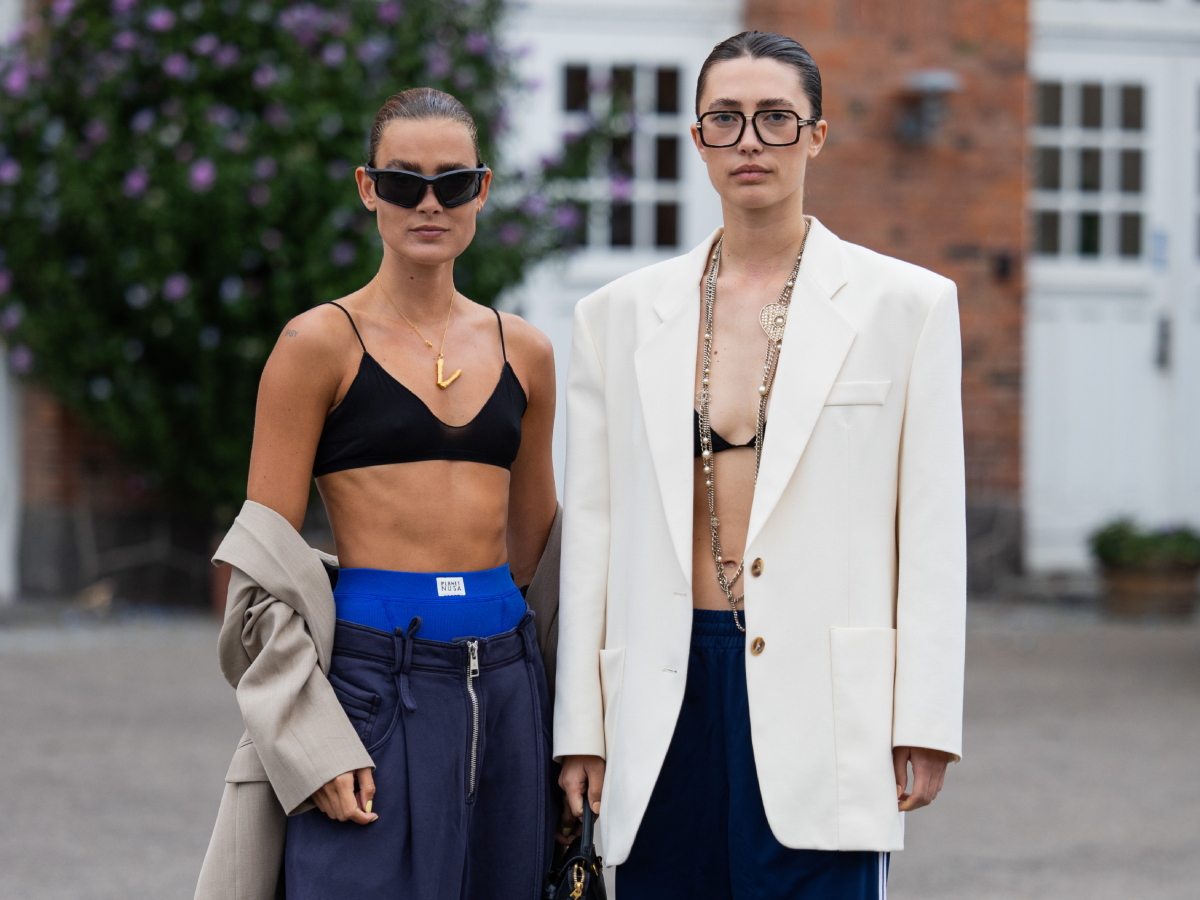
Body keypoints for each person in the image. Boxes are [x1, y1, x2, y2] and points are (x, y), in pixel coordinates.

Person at [554, 31, 966, 899]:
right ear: (697, 139)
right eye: (726, 119)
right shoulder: (615, 317)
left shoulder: (908, 306)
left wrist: (926, 718)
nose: (750, 140)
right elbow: (592, 534)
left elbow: (931, 528)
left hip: (827, 693)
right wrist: (580, 729)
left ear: (816, 135)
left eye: (776, 118)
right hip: (664, 685)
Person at [246, 87, 558, 897]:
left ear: (481, 191)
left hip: (510, 679)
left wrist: (575, 732)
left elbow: (539, 558)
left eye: (452, 182)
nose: (429, 203)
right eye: (402, 182)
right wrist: (310, 741)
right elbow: (261, 573)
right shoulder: (317, 343)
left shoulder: (525, 351)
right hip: (373, 681)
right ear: (367, 188)